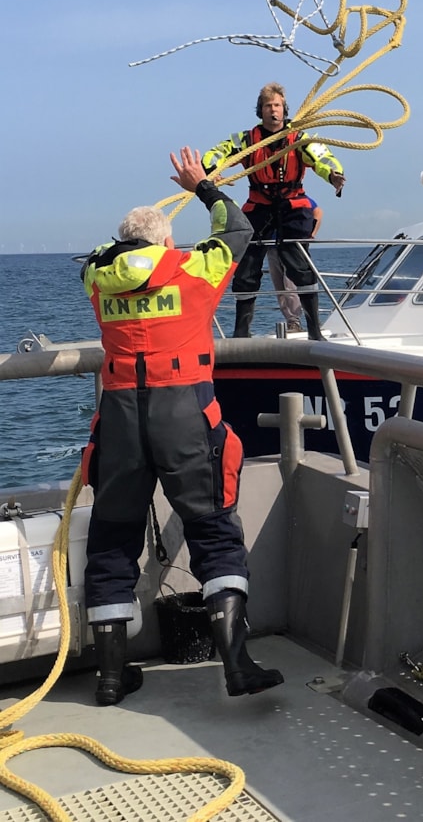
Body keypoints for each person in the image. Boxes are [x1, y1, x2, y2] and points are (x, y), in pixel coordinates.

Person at [80, 147, 284, 705]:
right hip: (184, 414)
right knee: (214, 531)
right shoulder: (191, 268)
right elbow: (237, 228)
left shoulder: (98, 277)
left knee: (112, 540)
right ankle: (236, 664)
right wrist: (203, 186)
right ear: (167, 243)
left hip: (120, 419)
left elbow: (97, 256)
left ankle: (110, 678)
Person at [202, 82, 345, 340]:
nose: (273, 110)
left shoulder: (299, 139)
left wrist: (334, 175)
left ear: (284, 109)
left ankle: (314, 331)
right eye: (268, 106)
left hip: (293, 205)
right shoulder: (246, 140)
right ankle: (241, 333)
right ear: (261, 110)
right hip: (259, 206)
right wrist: (212, 170)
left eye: (277, 105)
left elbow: (322, 157)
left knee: (298, 264)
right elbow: (217, 152)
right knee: (246, 267)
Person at [266, 199, 323, 333]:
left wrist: (311, 234)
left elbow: (318, 212)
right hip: (272, 246)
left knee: (290, 286)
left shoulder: (297, 197)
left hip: (290, 246)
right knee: (280, 287)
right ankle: (292, 321)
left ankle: (298, 321)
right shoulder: (268, 199)